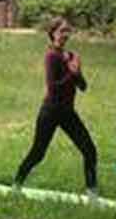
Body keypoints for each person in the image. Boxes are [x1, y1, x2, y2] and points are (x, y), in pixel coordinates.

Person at [13, 17, 99, 196]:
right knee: (38, 153)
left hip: (68, 112)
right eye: (61, 31)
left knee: (89, 150)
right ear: (52, 34)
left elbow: (83, 86)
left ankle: (92, 191)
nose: (65, 35)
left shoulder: (71, 56)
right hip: (51, 111)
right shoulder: (51, 56)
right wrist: (71, 72)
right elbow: (53, 87)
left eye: (67, 31)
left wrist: (77, 73)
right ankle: (17, 183)